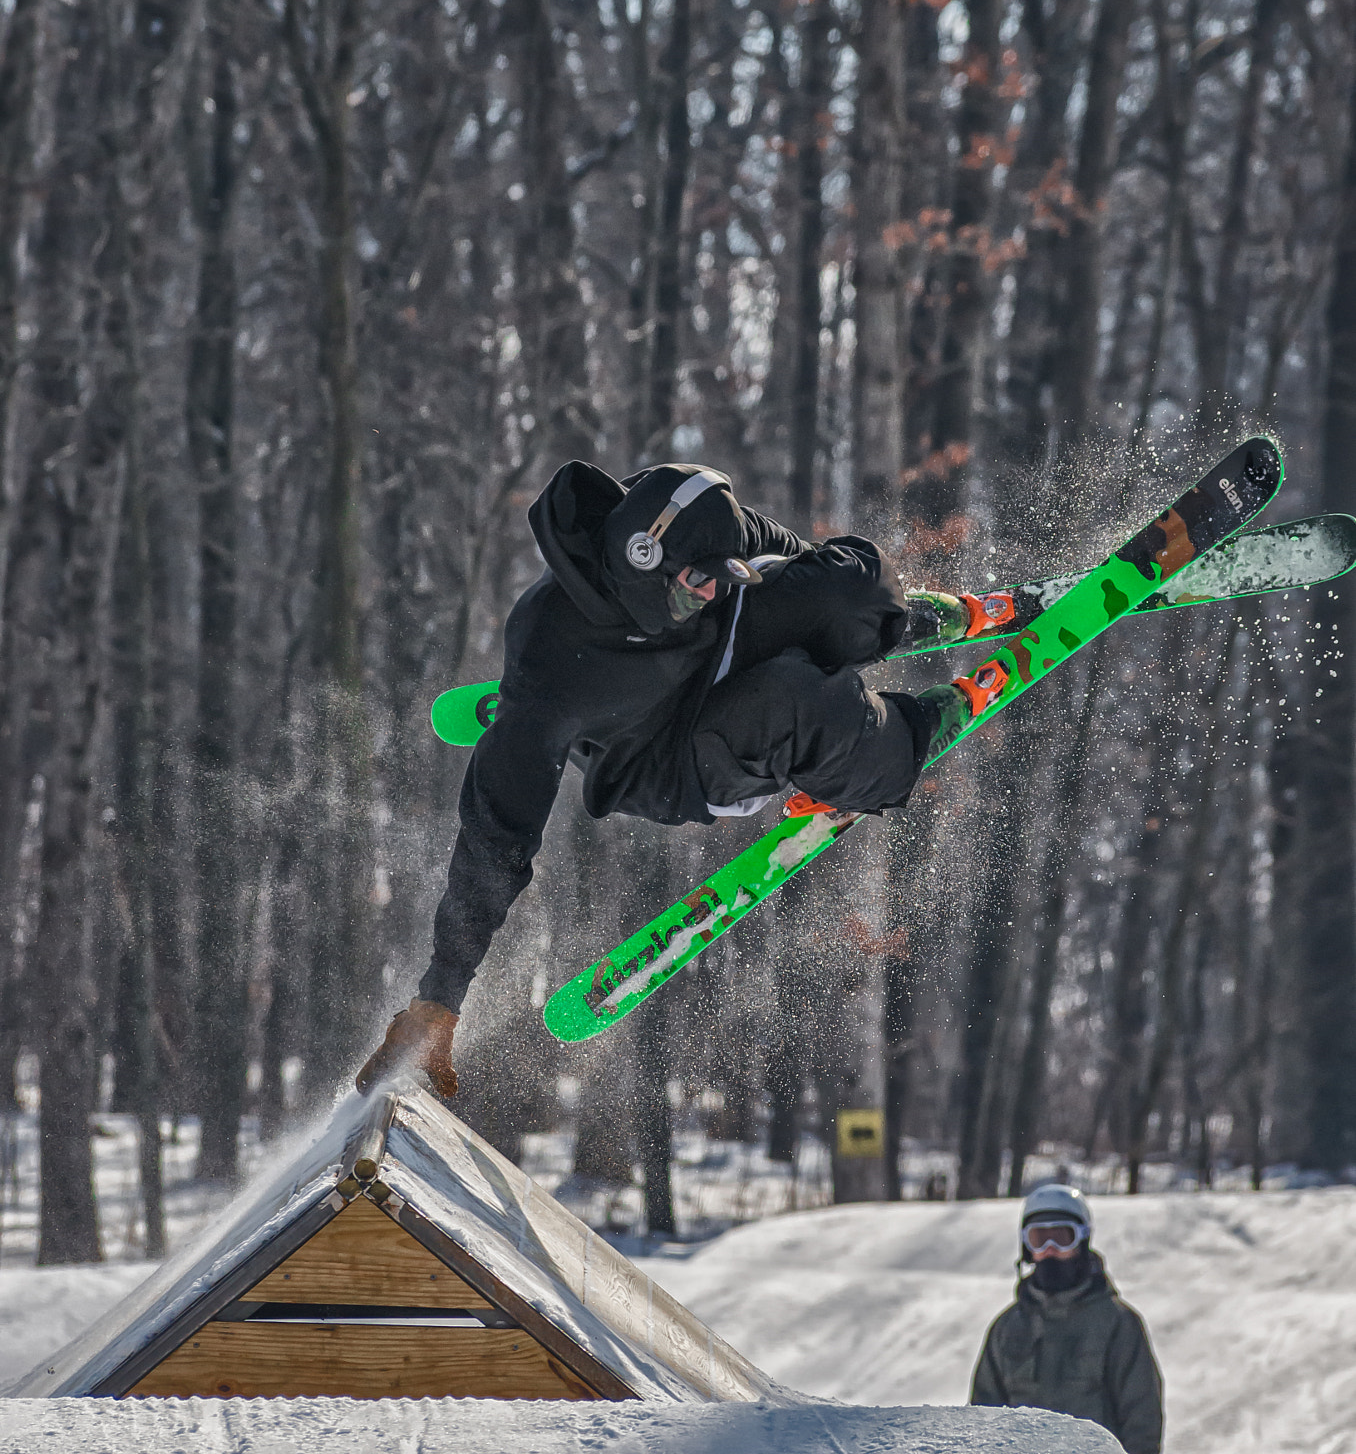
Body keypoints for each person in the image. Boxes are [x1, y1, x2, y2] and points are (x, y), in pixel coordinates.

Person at [356, 461, 1017, 1097]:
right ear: (643, 557)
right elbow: (493, 838)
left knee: (847, 584)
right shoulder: (552, 658)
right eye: (694, 582)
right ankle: (892, 743)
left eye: (715, 577)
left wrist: (876, 618)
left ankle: (925, 617)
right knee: (795, 699)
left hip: (709, 658)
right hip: (667, 757)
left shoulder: (695, 523)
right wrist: (439, 996)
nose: (708, 590)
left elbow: (797, 571)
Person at [970, 1184, 1164, 1454]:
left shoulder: (1117, 1323)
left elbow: (1141, 1418)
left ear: (1083, 1240)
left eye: (1062, 1237)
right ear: (1027, 1248)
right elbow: (982, 1419)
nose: (1050, 1250)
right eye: (1039, 1239)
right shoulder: (1008, 1328)